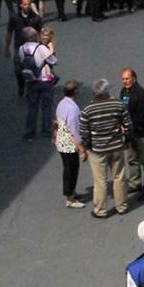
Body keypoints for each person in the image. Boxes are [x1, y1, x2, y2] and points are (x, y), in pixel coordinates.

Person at [81, 78, 132, 218]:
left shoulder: (87, 110)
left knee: (100, 180)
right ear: (107, 91)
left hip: (98, 149)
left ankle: (101, 210)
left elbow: (84, 132)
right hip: (116, 146)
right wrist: (126, 140)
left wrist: (88, 146)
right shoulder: (117, 104)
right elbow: (127, 124)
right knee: (119, 176)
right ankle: (122, 206)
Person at [17, 26, 58, 140]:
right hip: (44, 80)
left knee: (32, 107)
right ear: (33, 36)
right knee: (47, 106)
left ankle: (30, 132)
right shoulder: (41, 48)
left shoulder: (21, 49)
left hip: (31, 81)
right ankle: (46, 130)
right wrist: (51, 50)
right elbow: (53, 61)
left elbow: (20, 61)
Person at [53, 80, 88, 208]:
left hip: (61, 141)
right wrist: (81, 149)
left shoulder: (61, 103)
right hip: (68, 144)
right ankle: (70, 198)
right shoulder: (73, 108)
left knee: (68, 168)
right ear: (76, 91)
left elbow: (58, 121)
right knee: (71, 170)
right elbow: (74, 130)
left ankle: (71, 192)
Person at [121, 68, 144, 202]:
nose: (125, 81)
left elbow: (141, 116)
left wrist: (129, 128)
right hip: (129, 133)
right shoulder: (124, 92)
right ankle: (135, 183)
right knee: (131, 158)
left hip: (141, 133)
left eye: (127, 78)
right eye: (123, 79)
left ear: (134, 78)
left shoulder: (142, 94)